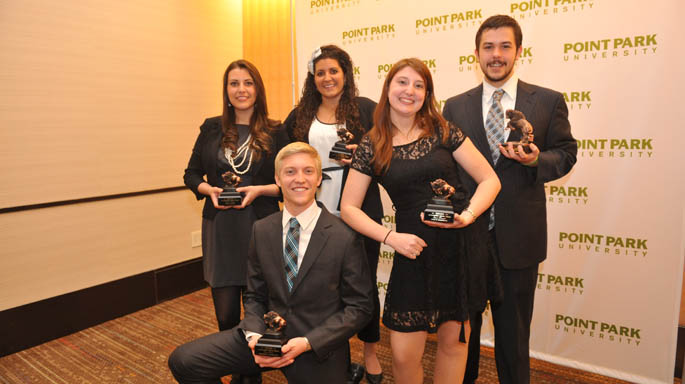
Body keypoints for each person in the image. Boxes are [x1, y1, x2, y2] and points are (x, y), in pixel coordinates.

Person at [340, 58, 501, 384]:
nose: (409, 91)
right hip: (410, 251)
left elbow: (490, 181)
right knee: (402, 354)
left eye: (418, 85)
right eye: (402, 82)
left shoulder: (444, 130)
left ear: (427, 93)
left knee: (454, 345)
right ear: (388, 88)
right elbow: (349, 208)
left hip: (458, 249)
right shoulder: (372, 143)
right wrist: (390, 238)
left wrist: (467, 216)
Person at [442, 15, 578, 384]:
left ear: (519, 51)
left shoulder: (548, 102)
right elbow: (445, 165)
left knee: (514, 338)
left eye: (505, 46)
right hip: (466, 237)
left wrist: (535, 159)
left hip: (519, 239)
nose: (496, 55)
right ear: (476, 54)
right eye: (488, 47)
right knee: (461, 335)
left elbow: (566, 154)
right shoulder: (454, 107)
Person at [169, 142, 374, 384]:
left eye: (308, 171)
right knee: (184, 361)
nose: (300, 179)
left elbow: (360, 308)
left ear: (319, 178)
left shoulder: (344, 236)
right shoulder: (262, 229)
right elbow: (255, 295)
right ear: (277, 179)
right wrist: (255, 337)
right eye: (290, 172)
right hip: (266, 335)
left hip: (317, 346)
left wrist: (308, 343)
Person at [183, 60, 289, 383]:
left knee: (259, 309)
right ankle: (236, 366)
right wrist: (209, 190)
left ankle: (250, 375)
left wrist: (259, 190)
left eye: (248, 83)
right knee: (227, 314)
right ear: (227, 91)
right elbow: (190, 174)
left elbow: (289, 181)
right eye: (234, 83)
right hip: (221, 230)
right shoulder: (211, 128)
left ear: (257, 90)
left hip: (261, 229)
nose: (241, 89)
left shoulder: (276, 130)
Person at [284, 45, 384, 383]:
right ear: (313, 78)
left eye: (334, 71)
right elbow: (282, 159)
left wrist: (363, 157)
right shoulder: (299, 115)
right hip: (312, 212)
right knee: (319, 287)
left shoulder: (368, 110)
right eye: (321, 72)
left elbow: (389, 159)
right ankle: (329, 356)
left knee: (364, 285)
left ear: (346, 74)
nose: (327, 78)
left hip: (360, 209)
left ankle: (370, 353)